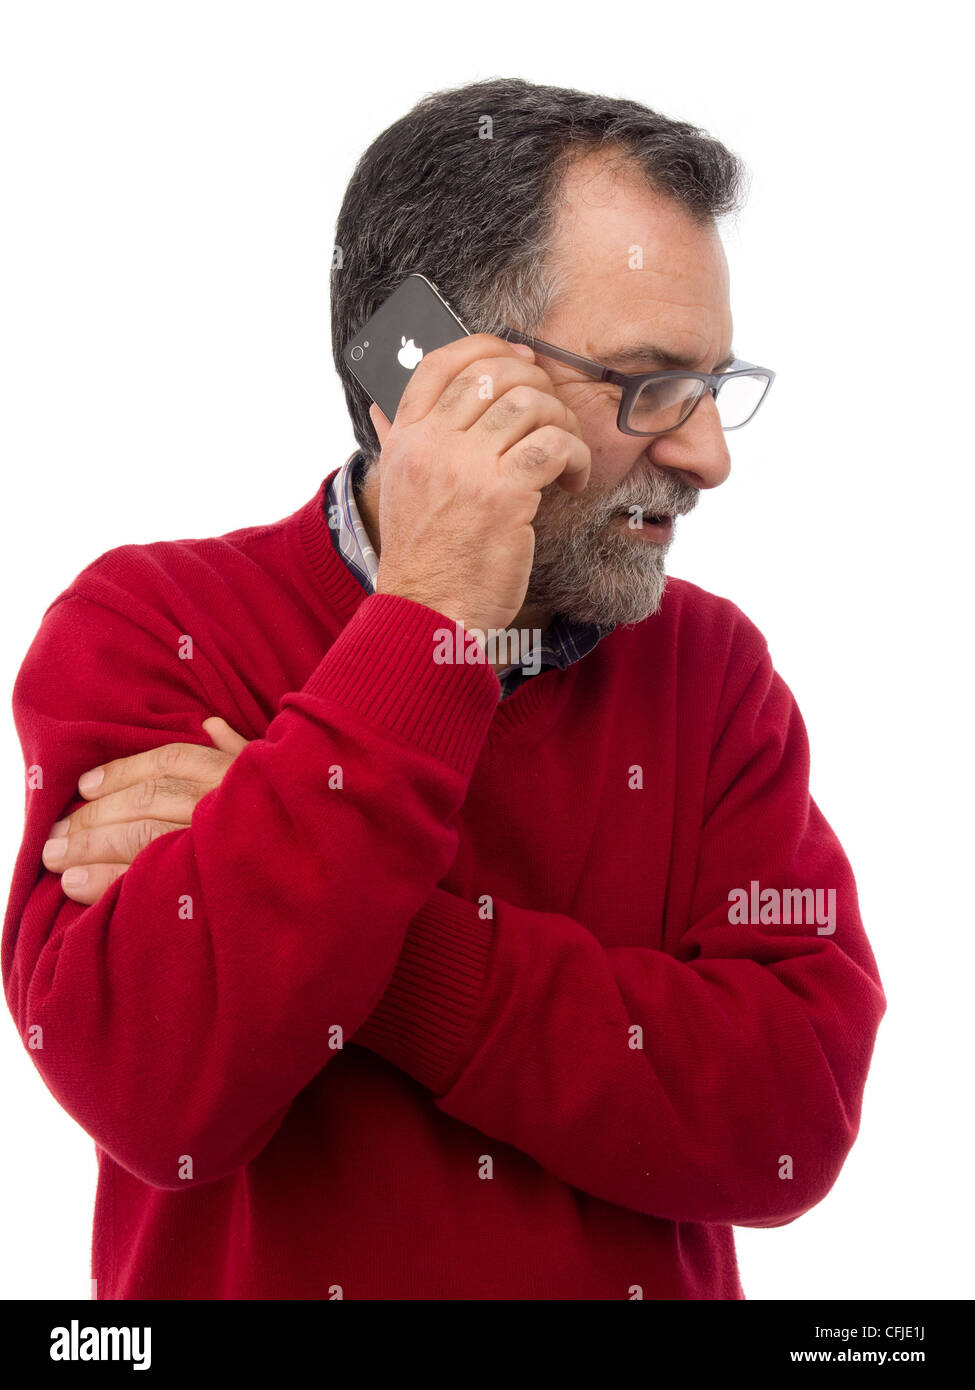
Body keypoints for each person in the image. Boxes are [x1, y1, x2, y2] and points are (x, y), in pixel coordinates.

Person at [2, 76, 886, 1300]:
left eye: (714, 387)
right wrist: (428, 614)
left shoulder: (714, 673)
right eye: (648, 385)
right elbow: (159, 1091)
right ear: (426, 375)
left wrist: (357, 919)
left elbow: (795, 1107)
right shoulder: (150, 630)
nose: (708, 456)